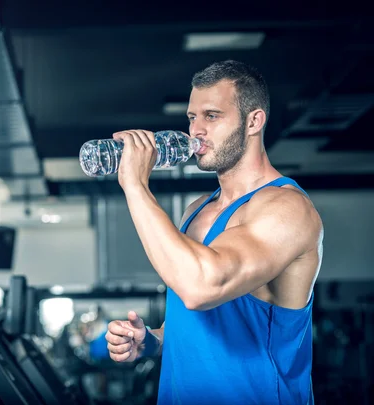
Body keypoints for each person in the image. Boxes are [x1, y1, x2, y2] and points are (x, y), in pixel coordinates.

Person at [105, 60, 323, 405]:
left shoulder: (288, 209)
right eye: (192, 118)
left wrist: (135, 185)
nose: (197, 131)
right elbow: (198, 322)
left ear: (254, 121)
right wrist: (151, 340)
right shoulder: (198, 210)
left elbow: (201, 288)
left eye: (212, 116)